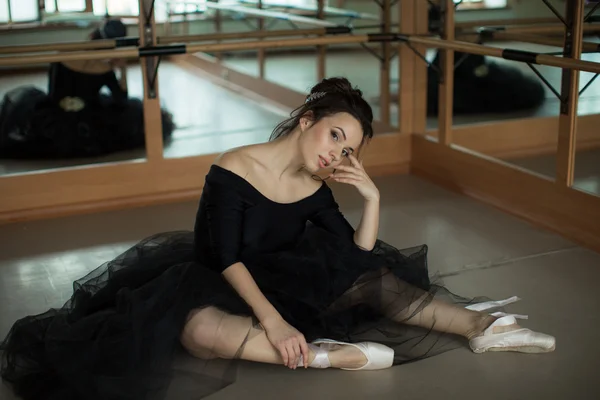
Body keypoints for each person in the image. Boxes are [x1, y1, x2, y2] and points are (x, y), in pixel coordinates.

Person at [0, 77, 555, 400]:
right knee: (199, 330)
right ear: (308, 118)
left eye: (347, 151)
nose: (335, 154)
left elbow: (354, 254)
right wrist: (273, 319)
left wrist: (375, 199)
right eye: (334, 135)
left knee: (375, 281)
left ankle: (481, 327)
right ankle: (323, 355)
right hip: (222, 275)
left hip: (288, 273)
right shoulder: (234, 167)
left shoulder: (317, 183)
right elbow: (222, 254)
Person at [0, 18, 174, 159]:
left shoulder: (62, 59)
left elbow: (53, 95)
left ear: (92, 36)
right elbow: (121, 99)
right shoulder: (104, 69)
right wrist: (122, 69)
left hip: (61, 112)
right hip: (87, 117)